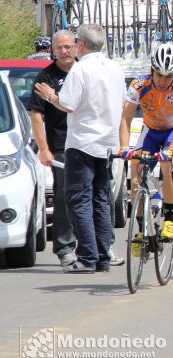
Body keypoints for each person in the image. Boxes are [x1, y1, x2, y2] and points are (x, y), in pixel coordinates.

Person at [34, 23, 125, 273]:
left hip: (83, 143)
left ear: (81, 45)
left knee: (79, 200)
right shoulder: (115, 68)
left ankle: (87, 256)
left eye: (74, 43)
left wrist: (51, 96)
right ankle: (103, 254)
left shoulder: (81, 68)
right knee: (101, 199)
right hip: (107, 143)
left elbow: (68, 104)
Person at [118, 43, 173, 250]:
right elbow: (125, 119)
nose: (163, 80)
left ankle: (170, 218)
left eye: (169, 77)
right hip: (150, 132)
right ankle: (141, 229)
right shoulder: (139, 85)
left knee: (168, 166)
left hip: (172, 133)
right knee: (136, 170)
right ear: (152, 71)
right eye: (159, 75)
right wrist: (124, 146)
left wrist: (171, 151)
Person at [28, 30, 78, 267]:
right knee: (64, 195)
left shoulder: (84, 71)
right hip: (61, 146)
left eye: (68, 46)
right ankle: (65, 248)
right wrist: (44, 148)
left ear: (77, 46)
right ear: (53, 50)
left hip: (89, 143)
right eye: (59, 48)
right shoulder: (45, 76)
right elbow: (36, 114)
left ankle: (101, 245)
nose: (64, 51)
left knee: (97, 195)